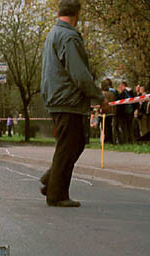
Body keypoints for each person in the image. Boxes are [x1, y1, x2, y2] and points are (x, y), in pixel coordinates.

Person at [39, 0, 109, 207]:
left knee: (73, 144)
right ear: (77, 14)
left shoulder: (53, 34)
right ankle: (57, 195)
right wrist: (99, 97)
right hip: (67, 100)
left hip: (57, 97)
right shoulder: (68, 37)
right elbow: (79, 74)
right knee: (69, 146)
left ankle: (51, 181)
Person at [100, 79, 116, 144]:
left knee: (104, 127)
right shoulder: (112, 94)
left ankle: (106, 140)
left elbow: (101, 103)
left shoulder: (102, 94)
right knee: (109, 126)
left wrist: (99, 110)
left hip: (104, 112)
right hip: (111, 112)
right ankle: (111, 140)